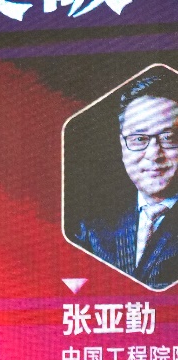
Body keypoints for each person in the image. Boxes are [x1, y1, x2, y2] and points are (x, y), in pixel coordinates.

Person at [73, 71, 178, 290]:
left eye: (169, 138)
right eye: (139, 139)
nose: (154, 154)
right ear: (123, 146)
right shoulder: (93, 230)